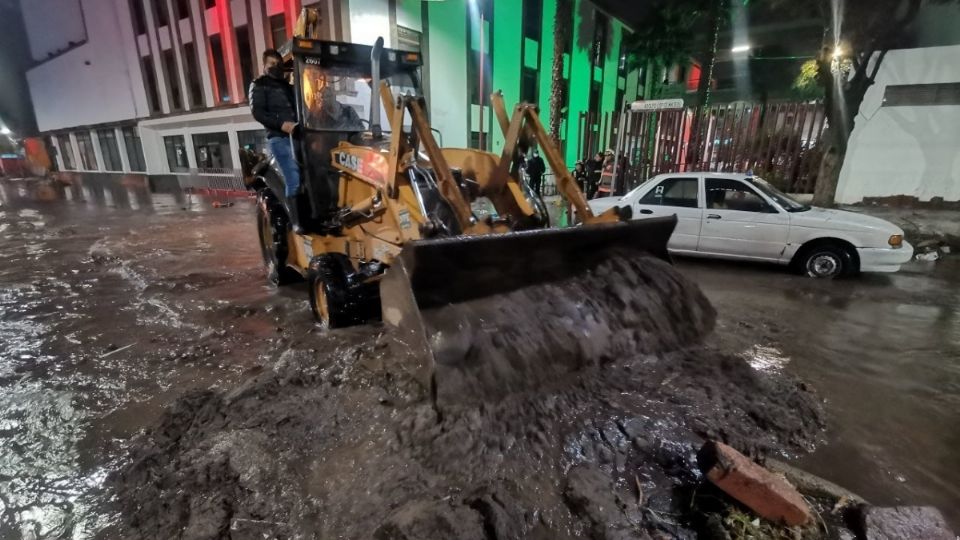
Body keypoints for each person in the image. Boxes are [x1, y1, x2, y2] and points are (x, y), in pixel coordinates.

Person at [249, 49, 301, 230]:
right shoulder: (259, 84)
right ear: (264, 65)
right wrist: (282, 125)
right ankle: (297, 224)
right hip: (279, 138)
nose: (275, 67)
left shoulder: (288, 87)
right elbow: (258, 112)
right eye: (271, 64)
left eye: (277, 64)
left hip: (299, 136)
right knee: (293, 178)